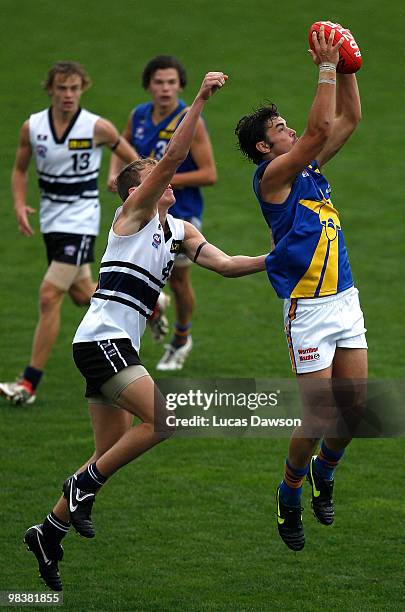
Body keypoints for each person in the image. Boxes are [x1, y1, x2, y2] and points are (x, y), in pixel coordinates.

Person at [24, 71, 267, 591]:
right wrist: (199, 98)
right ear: (138, 190)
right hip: (101, 342)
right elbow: (176, 158)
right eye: (156, 173)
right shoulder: (131, 215)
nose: (166, 177)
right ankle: (82, 486)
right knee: (164, 420)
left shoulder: (179, 231)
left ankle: (49, 529)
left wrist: (278, 258)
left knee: (104, 452)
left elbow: (224, 265)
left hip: (113, 348)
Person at [235, 26, 366, 551]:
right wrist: (327, 67)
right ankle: (290, 490)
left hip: (346, 300)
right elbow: (316, 132)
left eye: (289, 125)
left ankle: (323, 472)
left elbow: (348, 118)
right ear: (266, 146)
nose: (293, 131)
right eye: (281, 128)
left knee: (352, 413)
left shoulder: (308, 168)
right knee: (318, 415)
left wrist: (351, 70)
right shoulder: (273, 178)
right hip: (308, 310)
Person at [0, 61, 137, 405]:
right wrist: (19, 204)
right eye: (61, 88)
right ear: (50, 90)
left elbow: (133, 161)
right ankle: (153, 304)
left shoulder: (96, 127)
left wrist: (117, 178)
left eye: (74, 88)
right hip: (52, 220)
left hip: (82, 220)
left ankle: (28, 384)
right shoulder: (33, 127)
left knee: (49, 295)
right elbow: (19, 169)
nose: (68, 95)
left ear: (82, 89)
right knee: (81, 294)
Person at [108, 55, 218, 371]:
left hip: (181, 212)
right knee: (136, 268)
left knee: (179, 279)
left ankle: (182, 337)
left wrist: (159, 181)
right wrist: (115, 173)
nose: (165, 89)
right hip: (143, 213)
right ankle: (155, 304)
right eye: (159, 82)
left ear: (181, 86)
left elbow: (209, 173)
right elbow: (121, 146)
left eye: (171, 82)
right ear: (148, 86)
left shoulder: (189, 119)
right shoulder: (139, 116)